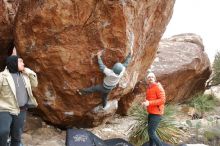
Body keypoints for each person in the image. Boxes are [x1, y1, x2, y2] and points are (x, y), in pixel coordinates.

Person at [0, 55, 38, 146]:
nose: (23, 64)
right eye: (21, 62)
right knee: (3, 132)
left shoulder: (25, 76)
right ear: (13, 63)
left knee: (16, 136)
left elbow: (35, 84)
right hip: (5, 109)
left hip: (21, 110)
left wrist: (29, 72)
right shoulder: (2, 76)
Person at [142, 72, 166, 146]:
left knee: (151, 132)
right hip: (151, 112)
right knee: (150, 132)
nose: (150, 78)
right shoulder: (149, 88)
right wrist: (145, 104)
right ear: (147, 80)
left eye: (152, 77)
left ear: (155, 79)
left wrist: (149, 103)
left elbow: (162, 100)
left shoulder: (158, 87)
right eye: (149, 77)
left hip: (157, 114)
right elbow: (149, 100)